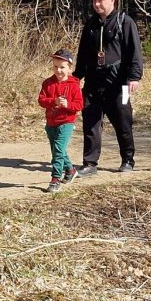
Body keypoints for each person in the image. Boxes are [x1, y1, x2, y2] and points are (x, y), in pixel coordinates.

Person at [73, 0, 144, 175]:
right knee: (91, 123)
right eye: (94, 1)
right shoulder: (90, 25)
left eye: (100, 0)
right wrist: (76, 77)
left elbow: (135, 52)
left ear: (112, 0)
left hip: (119, 84)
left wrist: (134, 77)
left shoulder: (125, 22)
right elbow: (83, 53)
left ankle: (128, 160)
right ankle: (90, 164)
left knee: (123, 122)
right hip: (93, 83)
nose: (96, 4)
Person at [37, 48, 84, 193]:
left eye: (62, 67)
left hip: (66, 122)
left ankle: (55, 180)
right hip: (51, 122)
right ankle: (70, 171)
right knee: (58, 150)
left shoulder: (74, 85)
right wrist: (54, 101)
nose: (58, 70)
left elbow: (79, 105)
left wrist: (67, 105)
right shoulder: (48, 83)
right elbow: (41, 100)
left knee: (58, 150)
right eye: (55, 67)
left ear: (70, 68)